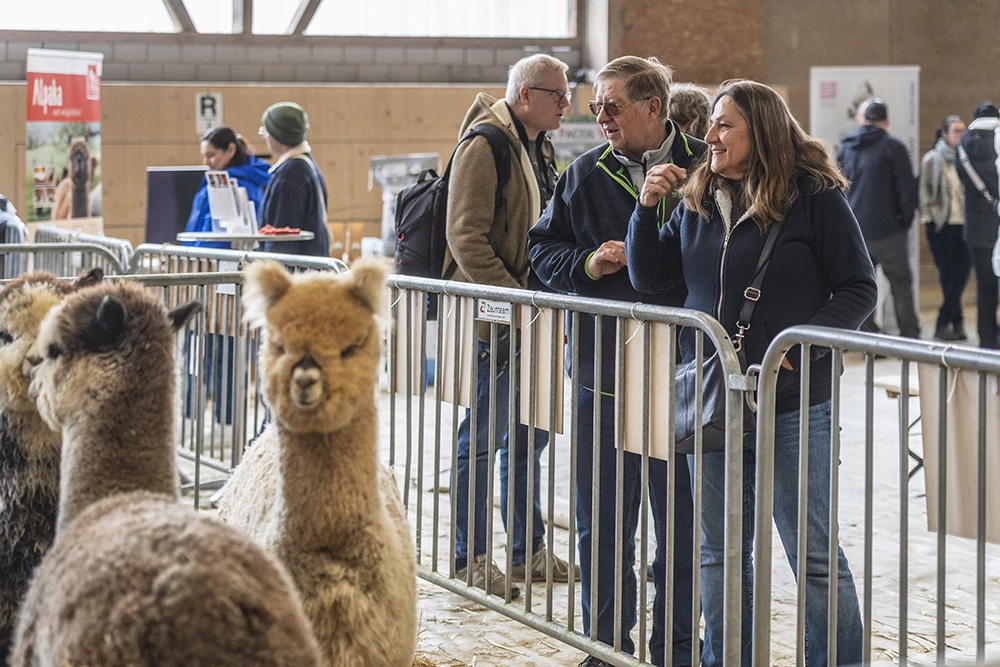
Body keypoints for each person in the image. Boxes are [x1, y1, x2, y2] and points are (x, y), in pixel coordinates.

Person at [625, 80, 875, 667]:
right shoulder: (697, 197)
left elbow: (858, 288)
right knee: (719, 553)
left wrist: (799, 347)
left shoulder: (814, 196)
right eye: (711, 123)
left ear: (760, 132)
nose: (708, 136)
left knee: (813, 556)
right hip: (713, 401)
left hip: (793, 401)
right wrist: (645, 209)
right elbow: (650, 278)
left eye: (724, 125)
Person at [529, 55, 704, 667]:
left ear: (654, 107)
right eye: (596, 106)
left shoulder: (708, 166)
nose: (600, 117)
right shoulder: (583, 175)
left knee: (682, 523)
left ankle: (676, 648)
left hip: (684, 375)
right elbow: (541, 252)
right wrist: (587, 264)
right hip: (603, 374)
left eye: (612, 106)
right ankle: (605, 648)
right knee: (601, 522)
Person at [446, 53, 576, 599]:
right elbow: (465, 236)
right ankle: (469, 558)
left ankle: (526, 551)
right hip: (499, 320)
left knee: (530, 436)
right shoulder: (485, 145)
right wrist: (516, 298)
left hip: (534, 316)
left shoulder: (536, 146)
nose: (567, 104)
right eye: (558, 95)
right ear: (526, 95)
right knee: (481, 438)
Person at [836, 98, 920, 338]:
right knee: (900, 283)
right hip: (889, 231)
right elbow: (907, 190)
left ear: (863, 120)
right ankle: (910, 338)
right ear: (886, 121)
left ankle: (869, 339)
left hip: (856, 231)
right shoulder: (894, 147)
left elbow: (837, 189)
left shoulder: (845, 147)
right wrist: (903, 221)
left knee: (861, 286)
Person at [919, 115, 970, 341]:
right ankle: (952, 323)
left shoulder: (966, 157)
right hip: (941, 226)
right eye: (956, 131)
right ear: (944, 134)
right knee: (948, 276)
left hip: (965, 225)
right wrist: (929, 218)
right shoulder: (933, 158)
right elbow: (924, 191)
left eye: (963, 130)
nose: (960, 135)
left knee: (960, 275)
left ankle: (949, 321)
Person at [257, 102, 330, 257]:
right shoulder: (306, 165)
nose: (264, 137)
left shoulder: (290, 175)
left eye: (265, 131)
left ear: (278, 134)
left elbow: (281, 237)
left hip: (293, 269)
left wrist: (269, 268)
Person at [956, 101, 1000, 349]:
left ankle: (986, 341)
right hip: (998, 223)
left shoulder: (963, 144)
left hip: (975, 226)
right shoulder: (998, 141)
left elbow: (963, 180)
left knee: (985, 288)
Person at [184, 126, 272, 249]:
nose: (206, 162)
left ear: (231, 150)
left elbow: (221, 235)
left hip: (216, 255)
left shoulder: (238, 186)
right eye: (204, 156)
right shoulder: (214, 181)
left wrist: (192, 253)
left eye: (211, 155)